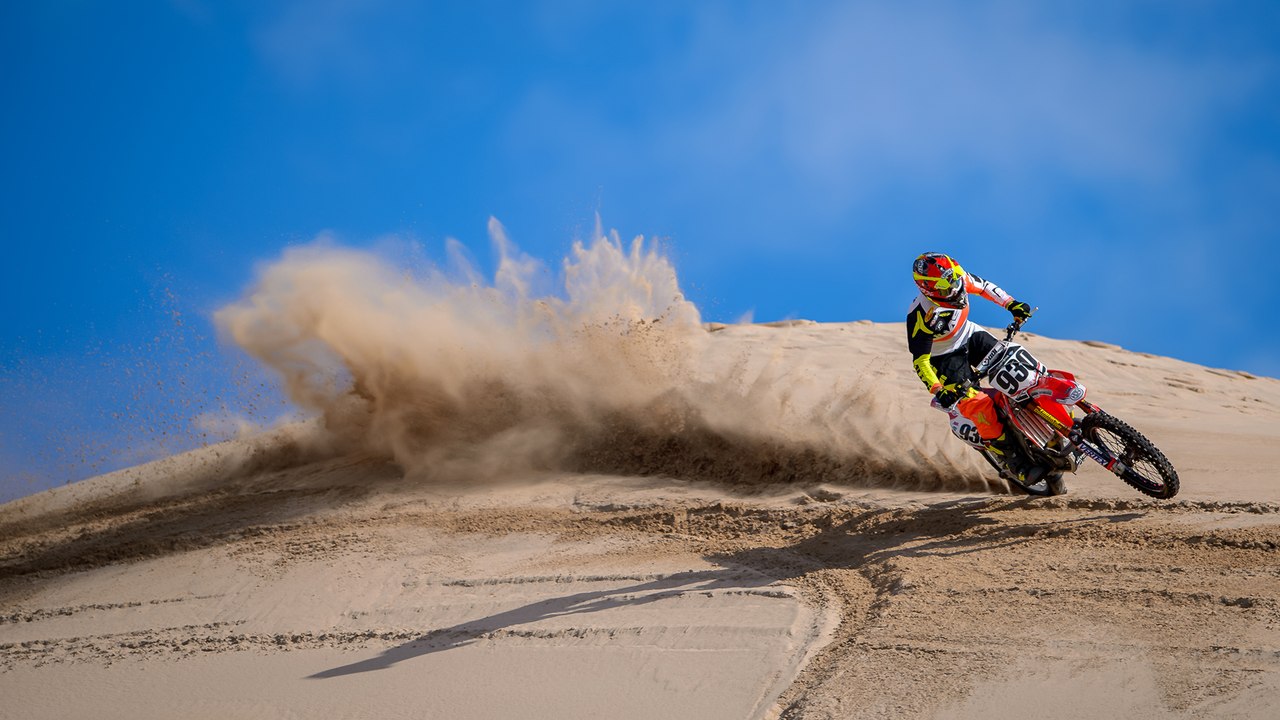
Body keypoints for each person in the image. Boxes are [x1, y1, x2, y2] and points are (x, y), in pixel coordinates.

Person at [906, 252, 1038, 480]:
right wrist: (938, 391)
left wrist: (1011, 304)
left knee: (1016, 368)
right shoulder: (921, 315)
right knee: (979, 404)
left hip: (970, 335)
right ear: (930, 290)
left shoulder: (955, 278)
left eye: (956, 282)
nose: (956, 290)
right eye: (948, 289)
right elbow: (920, 360)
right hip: (944, 358)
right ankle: (1011, 458)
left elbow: (984, 287)